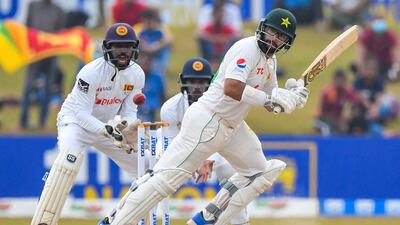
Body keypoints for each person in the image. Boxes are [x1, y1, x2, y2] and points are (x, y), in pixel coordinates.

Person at [103, 8, 309, 225]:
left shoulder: (270, 61)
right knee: (165, 179)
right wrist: (270, 98)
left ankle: (207, 218)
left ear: (287, 41)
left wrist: (291, 98)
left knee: (259, 173)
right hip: (208, 120)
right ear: (263, 28)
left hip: (233, 127)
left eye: (280, 37)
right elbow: (232, 88)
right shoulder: (247, 48)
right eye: (272, 32)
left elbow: (270, 101)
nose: (274, 39)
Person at [31, 23, 146, 225]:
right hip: (75, 123)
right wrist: (105, 129)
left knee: (146, 170)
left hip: (109, 128)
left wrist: (128, 127)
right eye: (118, 46)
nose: (123, 52)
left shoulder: (137, 74)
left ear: (134, 48)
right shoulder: (90, 72)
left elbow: (129, 111)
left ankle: (116, 219)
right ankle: (44, 220)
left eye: (127, 46)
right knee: (69, 161)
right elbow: (81, 113)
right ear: (106, 48)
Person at [160, 57, 250, 225]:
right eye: (192, 81)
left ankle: (241, 222)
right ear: (183, 82)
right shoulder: (170, 108)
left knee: (231, 173)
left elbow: (221, 137)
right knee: (157, 163)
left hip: (220, 145)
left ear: (211, 82)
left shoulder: (223, 103)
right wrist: (193, 161)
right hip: (183, 149)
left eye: (202, 82)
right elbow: (172, 143)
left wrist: (207, 160)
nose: (197, 87)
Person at [20, 0, 65, 130]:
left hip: (51, 55)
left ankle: (42, 121)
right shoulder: (32, 6)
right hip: (34, 54)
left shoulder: (58, 10)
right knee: (28, 87)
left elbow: (60, 33)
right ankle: (23, 121)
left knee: (48, 88)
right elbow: (27, 28)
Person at [314, 69, 357, 136]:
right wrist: (338, 121)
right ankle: (328, 144)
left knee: (347, 126)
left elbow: (354, 103)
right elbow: (323, 111)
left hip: (338, 119)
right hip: (321, 119)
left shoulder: (347, 91)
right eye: (338, 81)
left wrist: (349, 116)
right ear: (334, 80)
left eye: (342, 81)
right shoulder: (328, 92)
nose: (340, 83)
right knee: (329, 127)